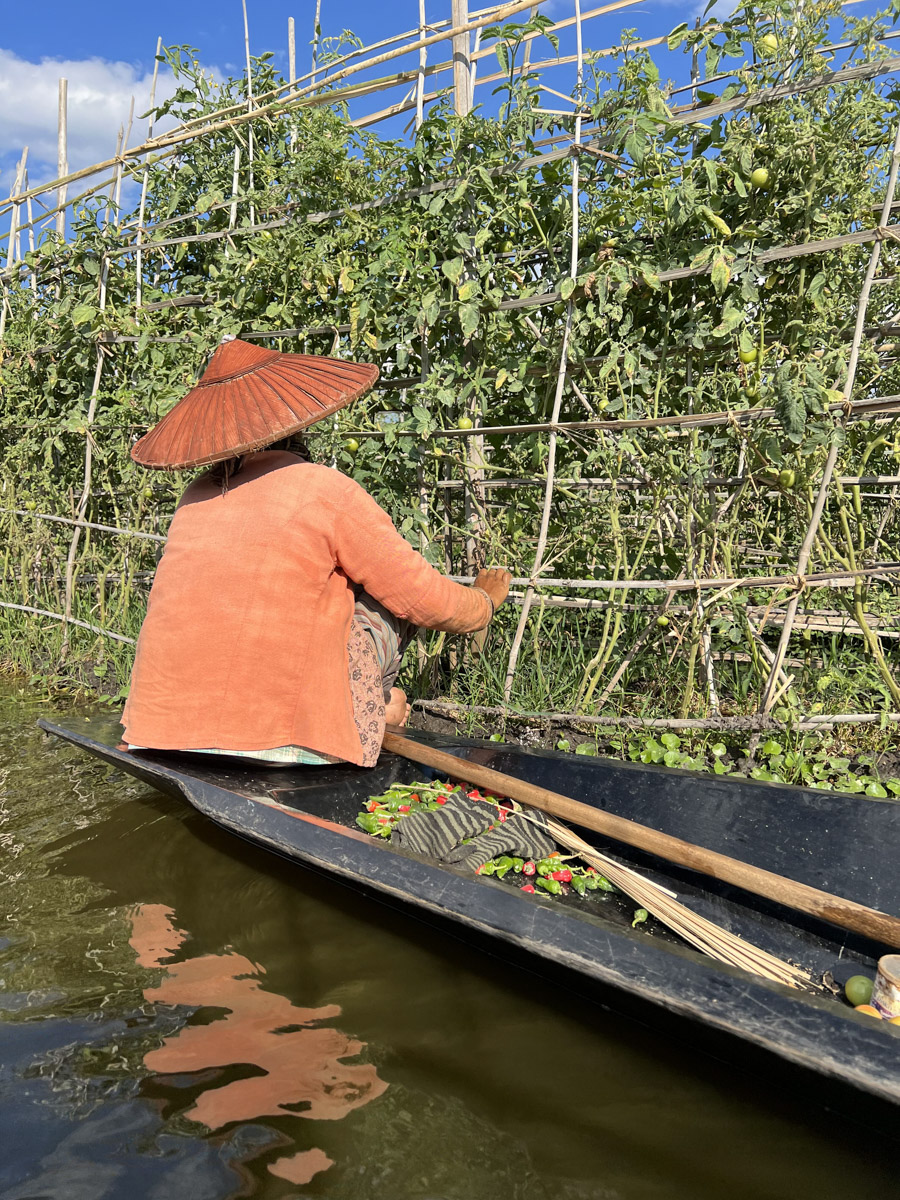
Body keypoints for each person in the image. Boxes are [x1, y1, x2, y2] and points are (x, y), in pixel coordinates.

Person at [122, 338, 511, 767]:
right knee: (385, 596)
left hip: (157, 731)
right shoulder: (321, 488)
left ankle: (374, 709)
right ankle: (365, 713)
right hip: (281, 741)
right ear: (293, 424)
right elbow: (423, 598)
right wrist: (484, 604)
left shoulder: (193, 497)